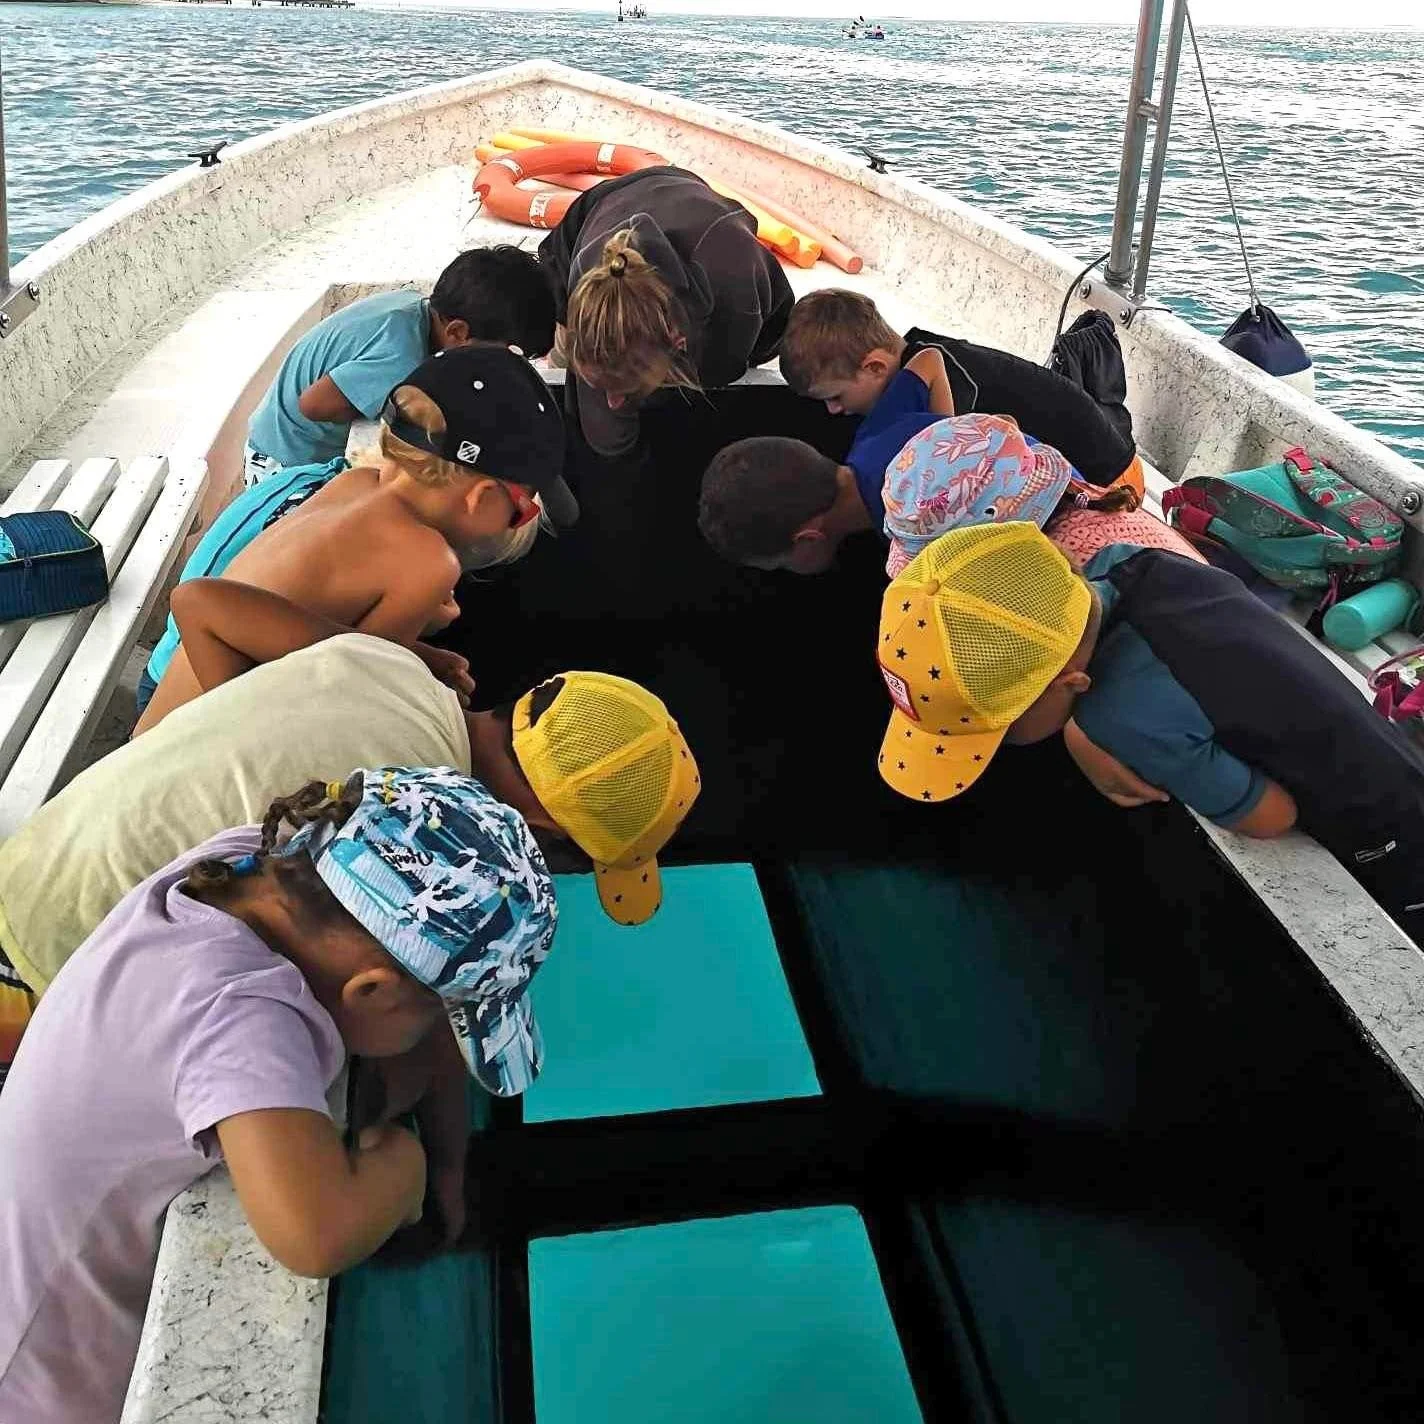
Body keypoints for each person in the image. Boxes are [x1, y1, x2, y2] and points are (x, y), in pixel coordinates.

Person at [0, 765, 560, 1423]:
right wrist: (405, 1176)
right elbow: (317, 1234)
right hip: (45, 1380)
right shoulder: (238, 1015)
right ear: (372, 991)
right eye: (440, 1018)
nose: (435, 1041)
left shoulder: (241, 865)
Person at [0, 580, 700, 1083]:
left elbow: (205, 603)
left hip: (29, 863)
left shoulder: (393, 663)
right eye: (562, 858)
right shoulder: (415, 833)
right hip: (51, 972)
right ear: (544, 827)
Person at [872, 522, 1424, 934]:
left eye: (998, 729)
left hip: (1380, 834)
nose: (1003, 743)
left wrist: (1109, 736)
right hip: (1385, 748)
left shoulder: (1125, 718)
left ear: (1072, 684)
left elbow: (1273, 816)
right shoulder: (1129, 562)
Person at [135, 344, 574, 732]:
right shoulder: (430, 563)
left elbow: (328, 646)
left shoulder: (354, 484)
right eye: (521, 512)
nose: (514, 526)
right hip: (193, 754)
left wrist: (418, 656)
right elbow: (348, 698)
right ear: (480, 498)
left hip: (152, 729)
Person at [697, 413, 1194, 576]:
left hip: (1119, 471)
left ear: (808, 539)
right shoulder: (897, 441)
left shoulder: (1080, 574)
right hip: (1103, 488)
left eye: (782, 566)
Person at [538, 166, 795, 459]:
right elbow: (600, 425)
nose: (611, 402)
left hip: (700, 215)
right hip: (595, 214)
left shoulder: (734, 281)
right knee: (581, 409)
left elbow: (774, 331)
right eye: (604, 385)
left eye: (620, 387)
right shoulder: (589, 272)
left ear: (677, 340)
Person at [243, 246, 556, 486]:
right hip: (284, 465)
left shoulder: (416, 309)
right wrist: (384, 405)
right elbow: (313, 405)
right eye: (507, 355)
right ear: (458, 332)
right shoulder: (400, 360)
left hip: (277, 443)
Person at [777, 288, 1142, 493]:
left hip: (1111, 480)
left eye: (835, 398)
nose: (833, 411)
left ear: (875, 367)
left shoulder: (953, 389)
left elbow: (953, 473)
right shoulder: (916, 354)